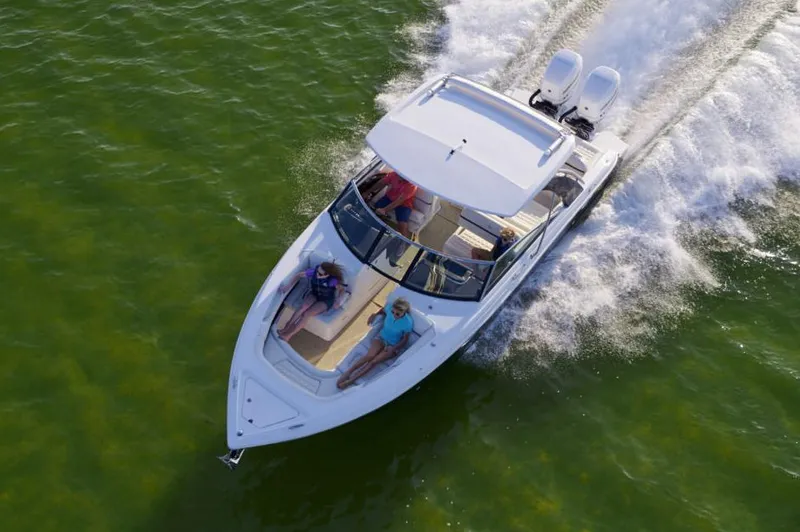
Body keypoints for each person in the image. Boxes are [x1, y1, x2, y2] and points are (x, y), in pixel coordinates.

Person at [337, 297, 414, 389]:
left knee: (374, 361)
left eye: (398, 314)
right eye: (393, 312)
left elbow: (405, 340)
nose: (394, 315)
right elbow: (383, 310)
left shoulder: (408, 322)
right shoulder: (389, 308)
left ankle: (350, 381)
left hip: (392, 345)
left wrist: (394, 348)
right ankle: (349, 372)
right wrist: (374, 314)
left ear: (404, 312)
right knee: (369, 356)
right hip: (381, 337)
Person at [277, 262, 345, 342]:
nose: (317, 274)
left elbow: (342, 290)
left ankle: (288, 335)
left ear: (328, 275)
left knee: (306, 314)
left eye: (320, 274)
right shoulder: (313, 272)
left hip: (326, 300)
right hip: (314, 294)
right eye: (317, 271)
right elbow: (298, 275)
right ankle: (286, 328)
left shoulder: (332, 281)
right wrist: (287, 286)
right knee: (303, 307)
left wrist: (338, 300)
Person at [362, 168, 418, 239]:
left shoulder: (412, 186)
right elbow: (381, 183)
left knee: (402, 223)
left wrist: (384, 210)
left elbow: (399, 201)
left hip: (404, 204)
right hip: (389, 197)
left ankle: (404, 241)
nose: (399, 175)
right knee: (375, 209)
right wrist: (367, 192)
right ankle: (368, 227)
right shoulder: (394, 174)